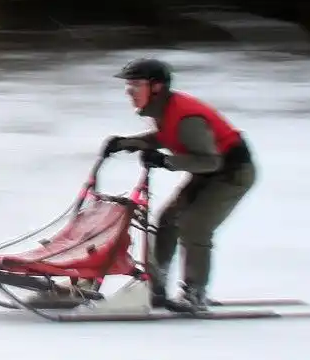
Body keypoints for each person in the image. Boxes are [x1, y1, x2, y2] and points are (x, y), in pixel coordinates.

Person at [103, 57, 257, 312]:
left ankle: (194, 293)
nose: (129, 92)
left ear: (156, 87)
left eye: (135, 85)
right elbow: (165, 136)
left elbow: (210, 161)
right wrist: (128, 143)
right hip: (209, 171)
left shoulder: (186, 116)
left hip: (231, 173)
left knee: (195, 227)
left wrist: (166, 160)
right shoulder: (162, 110)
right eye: (128, 86)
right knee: (168, 219)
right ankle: (156, 287)